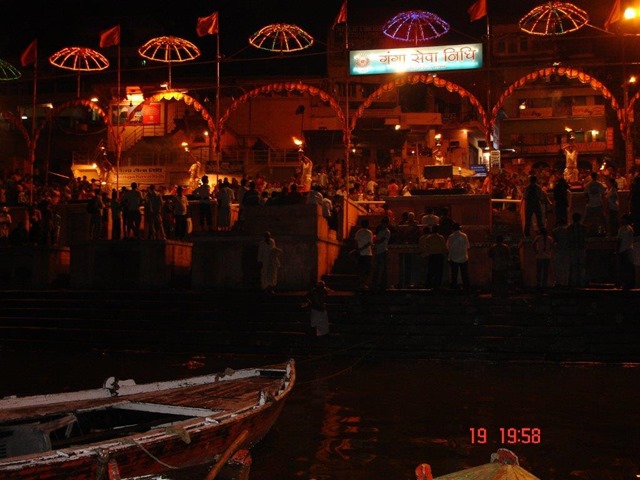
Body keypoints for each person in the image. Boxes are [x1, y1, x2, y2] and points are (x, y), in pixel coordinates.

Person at [420, 224, 447, 289]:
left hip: (432, 255)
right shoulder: (441, 237)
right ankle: (437, 284)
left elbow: (427, 247)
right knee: (439, 271)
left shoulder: (429, 238)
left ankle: (429, 284)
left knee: (431, 271)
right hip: (439, 255)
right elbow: (444, 247)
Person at [446, 222, 470, 291]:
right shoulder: (464, 235)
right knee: (464, 273)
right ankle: (466, 287)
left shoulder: (451, 236)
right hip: (463, 257)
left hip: (454, 257)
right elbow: (468, 246)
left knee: (454, 274)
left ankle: (454, 287)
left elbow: (448, 247)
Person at [567, 212, 588, 287]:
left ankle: (574, 283)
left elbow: (568, 239)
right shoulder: (584, 228)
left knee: (574, 266)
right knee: (582, 266)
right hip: (581, 248)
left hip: (573, 249)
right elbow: (586, 237)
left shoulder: (569, 228)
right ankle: (582, 282)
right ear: (580, 219)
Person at [583, 171, 606, 235]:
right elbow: (603, 194)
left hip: (590, 204)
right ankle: (602, 231)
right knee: (600, 218)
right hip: (598, 203)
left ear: (591, 176)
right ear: (596, 176)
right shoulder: (599, 184)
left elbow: (585, 194)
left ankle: (588, 231)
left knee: (588, 218)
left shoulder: (588, 185)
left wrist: (587, 201)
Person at [616, 214, 635, 290]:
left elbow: (619, 240)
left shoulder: (622, 229)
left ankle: (624, 283)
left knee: (623, 268)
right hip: (629, 249)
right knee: (628, 268)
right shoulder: (630, 228)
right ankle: (629, 283)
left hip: (623, 250)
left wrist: (617, 250)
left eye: (622, 219)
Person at [371, 217, 391, 291]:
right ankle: (375, 283)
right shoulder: (380, 231)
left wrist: (375, 241)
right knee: (377, 267)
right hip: (378, 250)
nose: (383, 225)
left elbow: (381, 240)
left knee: (383, 268)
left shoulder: (387, 232)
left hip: (383, 250)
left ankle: (383, 283)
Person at [354, 218, 374, 289]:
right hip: (367, 253)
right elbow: (369, 243)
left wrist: (358, 249)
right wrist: (362, 248)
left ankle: (361, 283)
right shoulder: (369, 232)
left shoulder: (358, 232)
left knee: (361, 269)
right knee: (367, 270)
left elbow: (356, 242)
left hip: (360, 253)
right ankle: (364, 283)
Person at [552, 218, 570, 287]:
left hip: (558, 251)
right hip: (567, 251)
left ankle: (558, 282)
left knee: (558, 268)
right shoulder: (568, 230)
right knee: (566, 268)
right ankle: (566, 282)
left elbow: (555, 241)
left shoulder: (555, 231)